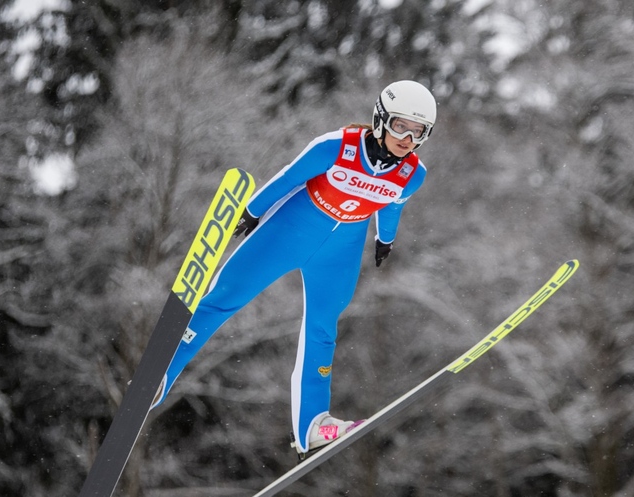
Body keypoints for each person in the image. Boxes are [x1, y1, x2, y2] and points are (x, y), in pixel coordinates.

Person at [151, 80, 437, 455]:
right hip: (292, 229)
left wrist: (385, 239)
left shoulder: (413, 173)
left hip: (342, 249)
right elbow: (289, 177)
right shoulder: (336, 146)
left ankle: (313, 425)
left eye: (419, 132)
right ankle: (161, 373)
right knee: (224, 298)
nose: (408, 138)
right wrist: (253, 211)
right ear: (381, 119)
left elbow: (393, 204)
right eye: (401, 126)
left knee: (323, 329)